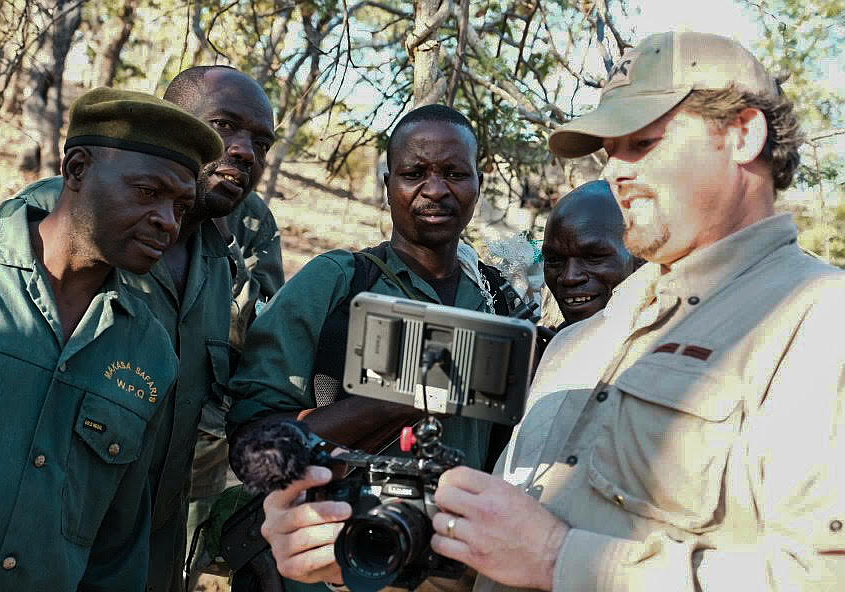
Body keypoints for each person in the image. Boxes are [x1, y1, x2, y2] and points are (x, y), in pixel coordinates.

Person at [257, 31, 845, 592]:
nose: (615, 170)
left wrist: (556, 557)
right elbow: (498, 559)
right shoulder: (582, 341)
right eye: (610, 151)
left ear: (743, 134)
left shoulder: (818, 324)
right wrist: (358, 553)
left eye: (643, 143)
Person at [0, 65, 278, 592]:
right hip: (33, 543)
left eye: (261, 142)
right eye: (224, 126)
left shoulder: (224, 261)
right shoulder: (65, 224)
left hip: (150, 544)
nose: (244, 152)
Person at [227, 104, 521, 591]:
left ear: (477, 185)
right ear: (387, 185)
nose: (435, 189)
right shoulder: (337, 284)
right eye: (414, 173)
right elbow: (254, 455)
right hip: (328, 568)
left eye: (454, 173)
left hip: (453, 568)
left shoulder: (497, 303)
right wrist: (405, 394)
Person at [0, 87, 223, 590]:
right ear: (77, 169)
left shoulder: (148, 353)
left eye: (180, 206)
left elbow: (116, 548)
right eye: (148, 193)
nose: (167, 221)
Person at [541, 180, 638, 330]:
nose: (569, 277)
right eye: (554, 260)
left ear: (641, 259)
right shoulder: (556, 344)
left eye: (593, 257)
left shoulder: (670, 342)